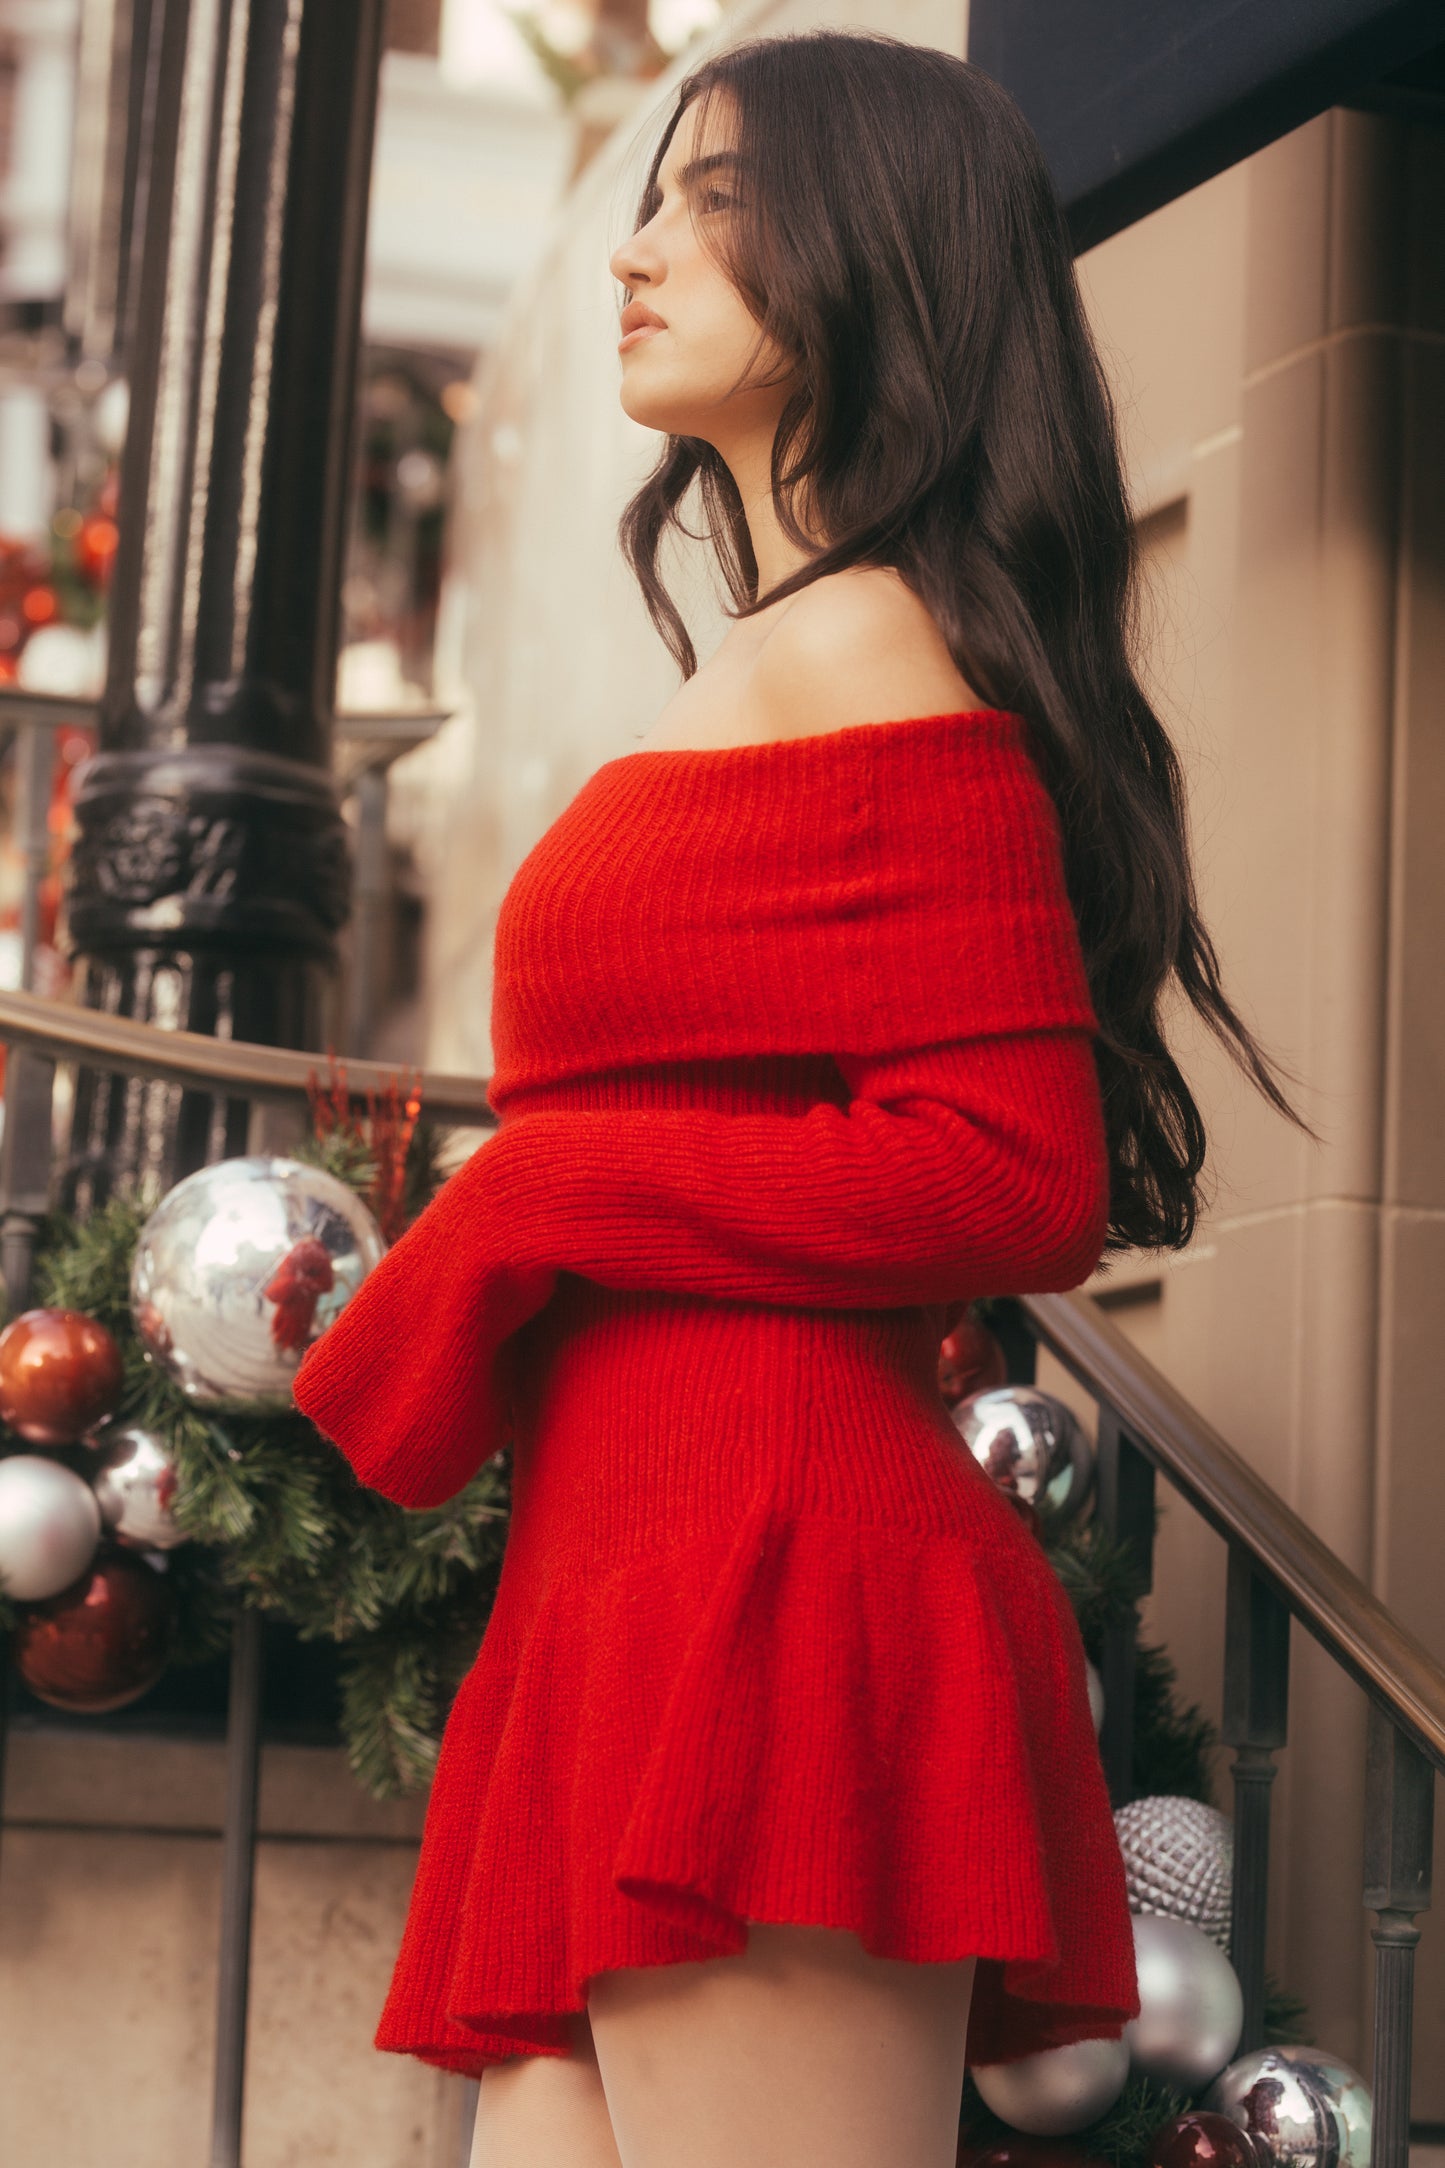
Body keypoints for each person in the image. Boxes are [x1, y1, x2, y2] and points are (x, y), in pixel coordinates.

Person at [292, 28, 1310, 2168]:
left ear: (871, 257)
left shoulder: (876, 649)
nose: (635, 253)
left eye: (711, 197)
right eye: (642, 196)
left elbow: (1016, 1173)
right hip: (632, 1574)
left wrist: (555, 1185)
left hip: (776, 1580)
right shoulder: (764, 654)